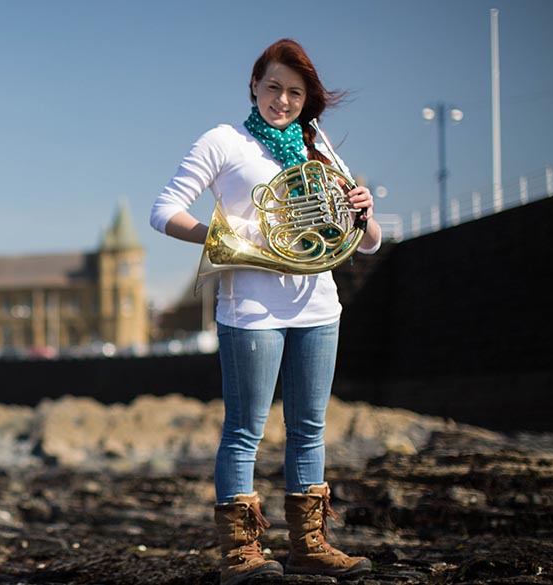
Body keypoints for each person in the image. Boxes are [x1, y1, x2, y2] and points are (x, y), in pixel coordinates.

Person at [149, 39, 382, 585]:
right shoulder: (223, 141)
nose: (282, 100)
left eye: (295, 92)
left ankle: (310, 545)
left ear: (307, 99)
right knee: (244, 432)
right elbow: (164, 212)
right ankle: (241, 554)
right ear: (254, 85)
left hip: (319, 305)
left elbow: (367, 243)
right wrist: (233, 239)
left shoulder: (318, 150)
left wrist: (364, 211)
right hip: (251, 308)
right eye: (274, 87)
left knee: (309, 429)